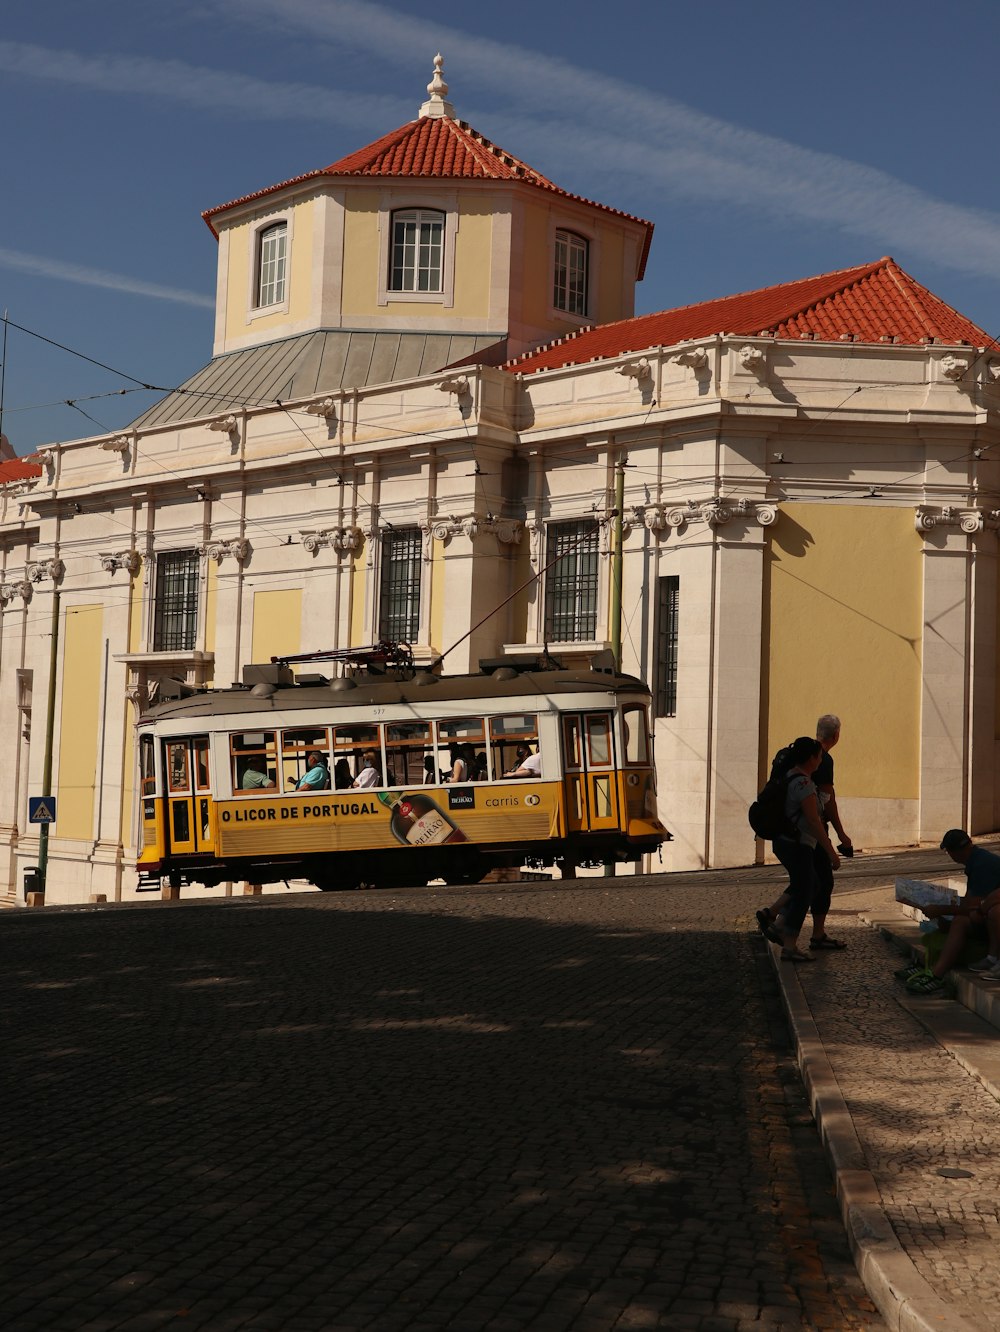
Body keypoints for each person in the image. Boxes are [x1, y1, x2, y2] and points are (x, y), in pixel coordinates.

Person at [757, 713, 853, 951]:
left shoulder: (796, 754)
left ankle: (775, 915)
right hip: (806, 834)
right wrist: (839, 838)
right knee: (816, 882)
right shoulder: (820, 759)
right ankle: (795, 931)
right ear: (837, 735)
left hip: (786, 829)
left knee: (807, 881)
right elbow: (824, 805)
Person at [903, 830, 1000, 994]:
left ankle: (936, 974)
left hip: (990, 918)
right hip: (986, 915)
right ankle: (928, 967)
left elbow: (974, 904)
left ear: (955, 852)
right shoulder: (977, 860)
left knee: (960, 922)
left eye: (948, 852)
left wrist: (941, 909)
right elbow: (973, 901)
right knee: (951, 924)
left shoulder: (983, 864)